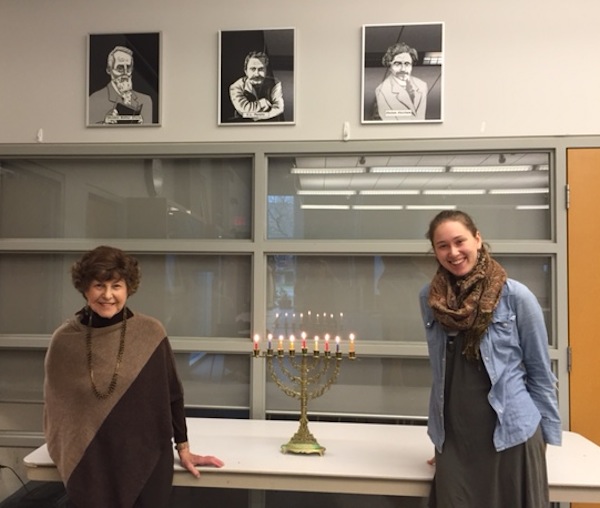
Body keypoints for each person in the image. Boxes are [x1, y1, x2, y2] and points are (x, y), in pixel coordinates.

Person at [44, 246, 224, 508]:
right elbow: (58, 411)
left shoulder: (150, 332)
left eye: (116, 286)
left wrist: (183, 449)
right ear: (84, 288)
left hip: (147, 460)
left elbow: (173, 394)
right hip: (92, 464)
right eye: (98, 285)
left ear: (128, 288)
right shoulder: (64, 340)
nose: (108, 295)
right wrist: (68, 451)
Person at [419, 210, 561, 508]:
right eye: (443, 245)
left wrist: (544, 443)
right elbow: (441, 372)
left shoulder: (516, 297)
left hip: (511, 436)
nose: (453, 252)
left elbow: (540, 373)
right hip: (457, 440)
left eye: (460, 241)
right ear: (434, 251)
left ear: (478, 239)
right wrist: (440, 440)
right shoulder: (429, 300)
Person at [88, 46, 153, 125]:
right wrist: (104, 124)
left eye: (128, 68)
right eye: (120, 68)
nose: (125, 73)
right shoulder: (94, 100)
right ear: (109, 70)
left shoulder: (145, 101)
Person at [373, 42, 427, 121]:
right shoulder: (382, 91)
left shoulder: (422, 85)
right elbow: (392, 123)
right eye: (397, 64)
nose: (403, 69)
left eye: (407, 64)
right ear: (389, 66)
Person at [228, 50, 284, 122]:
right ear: (246, 71)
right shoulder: (236, 87)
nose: (257, 74)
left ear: (266, 70)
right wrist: (261, 103)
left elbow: (279, 108)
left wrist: (259, 117)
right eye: (252, 69)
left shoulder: (275, 83)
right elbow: (243, 110)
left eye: (261, 69)